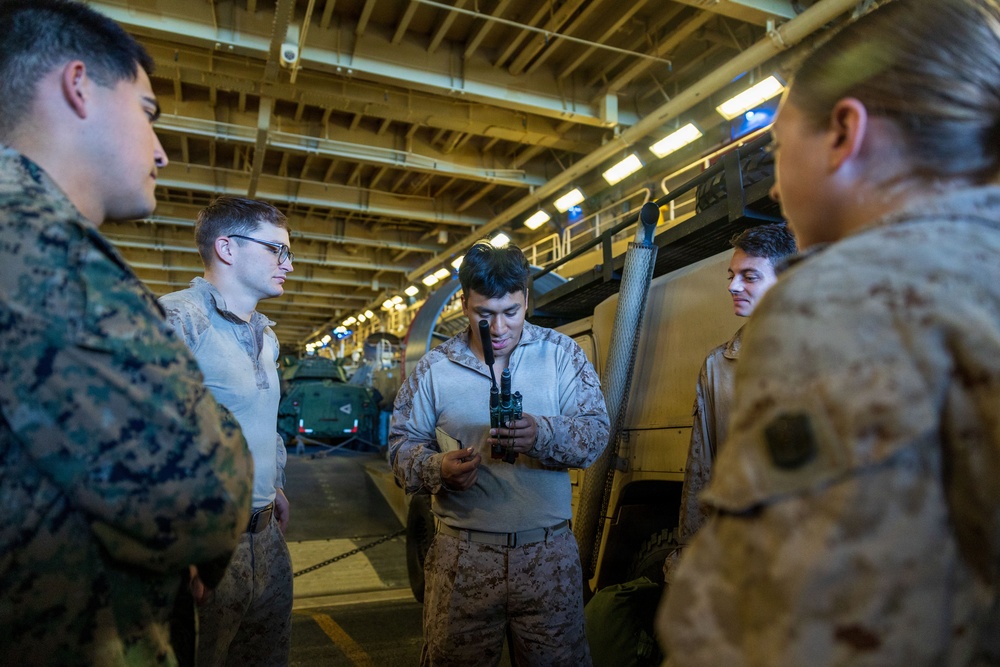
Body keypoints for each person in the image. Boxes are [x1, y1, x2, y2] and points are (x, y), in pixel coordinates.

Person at [658, 0, 1000, 664]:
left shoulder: (837, 297)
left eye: (783, 145)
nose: (780, 185)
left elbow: (775, 621)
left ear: (845, 132)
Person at [0, 1, 254, 664]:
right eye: (147, 113)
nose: (162, 153)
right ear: (78, 85)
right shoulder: (38, 241)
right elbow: (203, 490)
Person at [390, 240, 611, 667]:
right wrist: (437, 468)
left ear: (526, 298)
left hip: (548, 558)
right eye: (483, 314)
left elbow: (596, 433)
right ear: (463, 303)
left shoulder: (562, 356)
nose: (499, 327)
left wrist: (541, 434)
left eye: (511, 311)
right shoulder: (436, 368)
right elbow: (400, 446)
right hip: (463, 563)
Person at [159, 196, 295, 666]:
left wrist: (272, 481)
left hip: (265, 538)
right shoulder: (177, 321)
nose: (288, 264)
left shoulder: (266, 335)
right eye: (277, 250)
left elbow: (261, 422)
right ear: (227, 248)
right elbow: (147, 445)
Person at [674, 224, 796, 553]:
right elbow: (702, 469)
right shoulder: (717, 366)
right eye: (731, 275)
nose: (733, 286)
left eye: (750, 276)